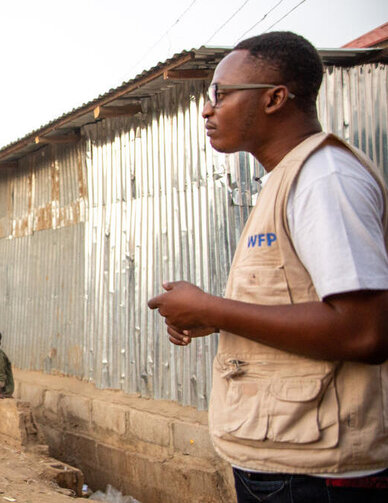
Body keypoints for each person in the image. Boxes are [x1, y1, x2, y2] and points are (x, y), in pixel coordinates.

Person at [147, 32, 388, 502]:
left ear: (276, 98)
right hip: (288, 459)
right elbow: (305, 310)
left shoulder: (323, 178)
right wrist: (205, 315)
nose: (207, 109)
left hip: (314, 477)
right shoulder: (289, 178)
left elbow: (365, 331)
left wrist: (215, 310)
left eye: (221, 93)